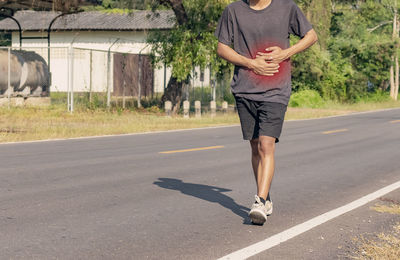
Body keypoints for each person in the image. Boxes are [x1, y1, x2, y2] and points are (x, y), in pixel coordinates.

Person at [214, 0, 318, 225]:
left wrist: (285, 54)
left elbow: (311, 36)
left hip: (276, 90)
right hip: (245, 89)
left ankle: (259, 201)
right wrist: (251, 64)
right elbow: (222, 47)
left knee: (266, 144)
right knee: (254, 146)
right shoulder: (233, 11)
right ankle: (265, 194)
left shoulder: (286, 7)